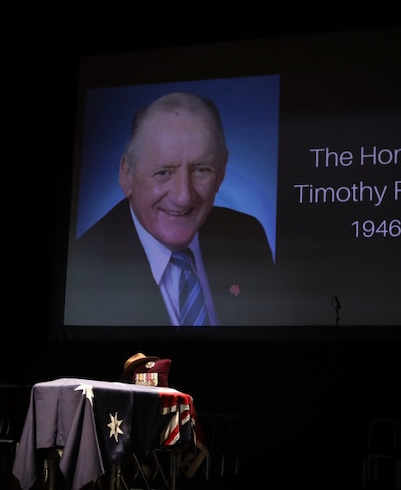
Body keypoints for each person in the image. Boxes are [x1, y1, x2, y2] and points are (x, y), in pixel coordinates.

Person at [64, 91, 277, 326]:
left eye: (201, 170)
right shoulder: (84, 271)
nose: (183, 197)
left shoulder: (248, 235)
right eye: (163, 172)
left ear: (222, 169)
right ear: (127, 175)